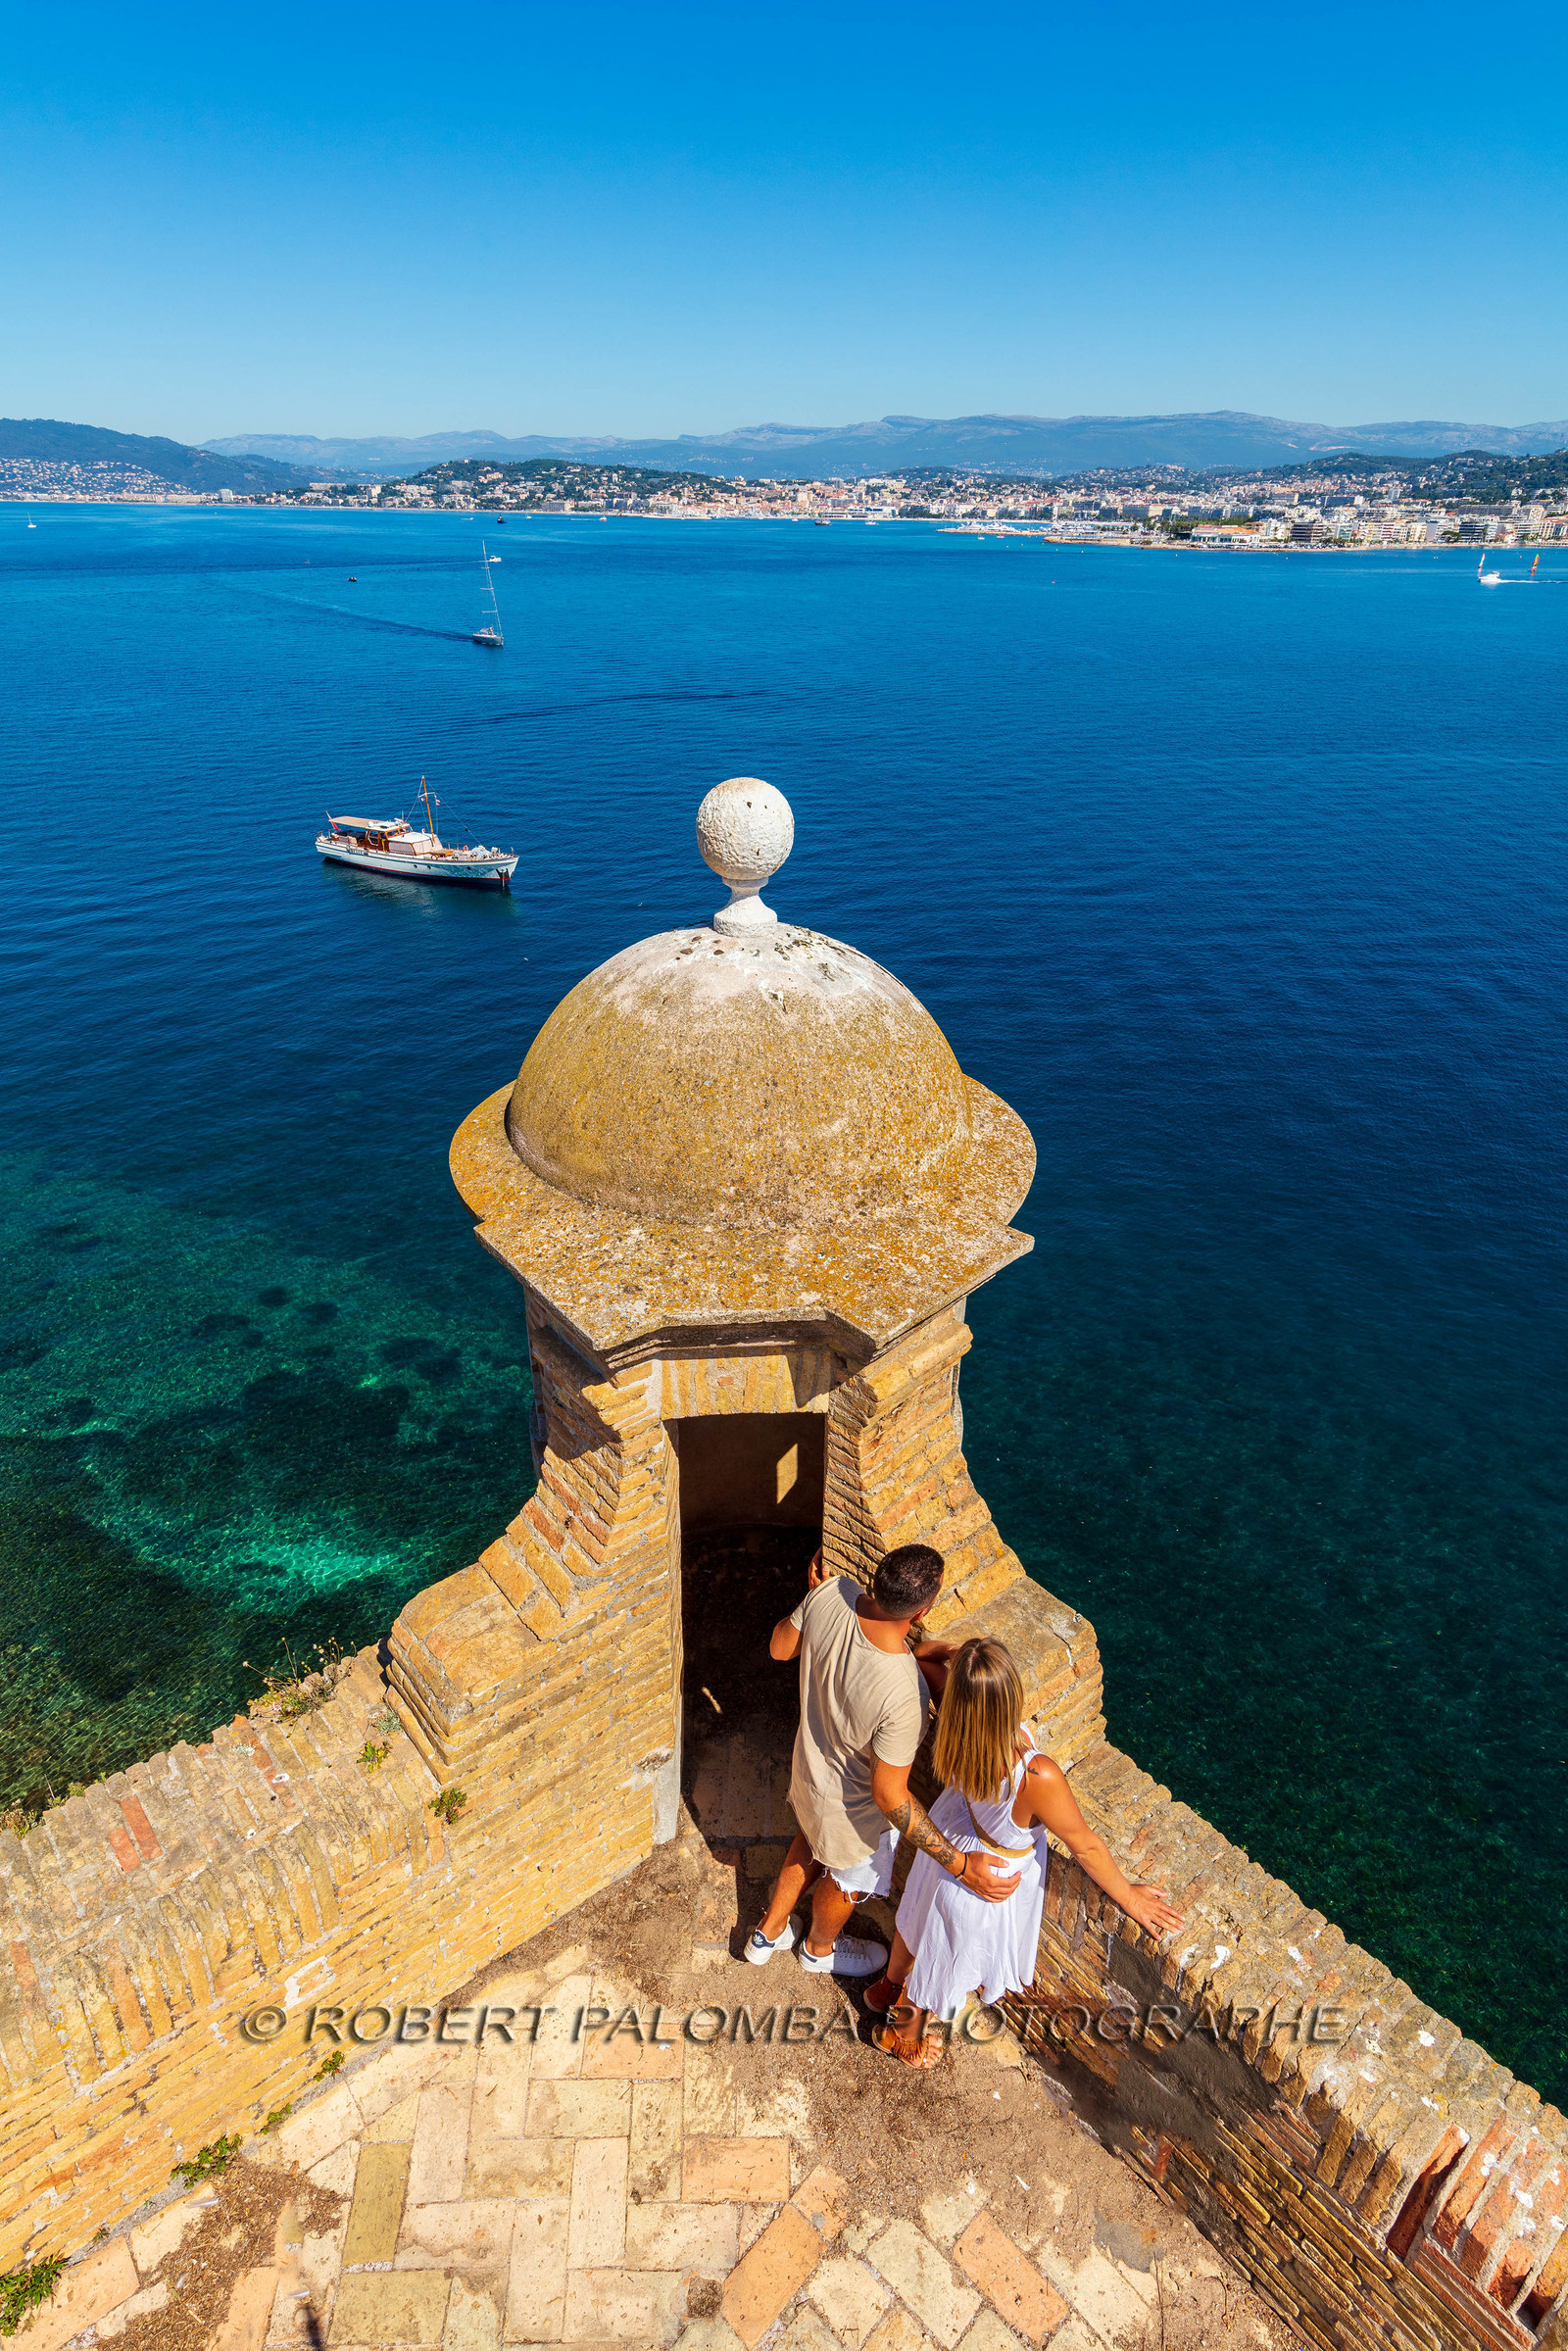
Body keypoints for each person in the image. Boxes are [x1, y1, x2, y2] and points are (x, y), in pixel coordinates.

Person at [865, 1636, 1187, 2065]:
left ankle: (884, 1988)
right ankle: (901, 2038)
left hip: (948, 1838)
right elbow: (1086, 1846)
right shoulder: (1036, 1774)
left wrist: (957, 1656)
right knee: (938, 1965)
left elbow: (915, 1653)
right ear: (1012, 1694)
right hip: (985, 1877)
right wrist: (1128, 1896)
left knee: (915, 1920)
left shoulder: (950, 1709)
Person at [747, 1543, 1020, 1979]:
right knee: (849, 1881)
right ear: (925, 1606)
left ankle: (768, 1933)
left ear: (879, 1576)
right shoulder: (905, 1694)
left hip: (809, 1773)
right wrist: (963, 1867)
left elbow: (780, 1649)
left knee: (811, 1840)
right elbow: (889, 1796)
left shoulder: (832, 1591)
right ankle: (818, 1949)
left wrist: (814, 1602)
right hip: (855, 1815)